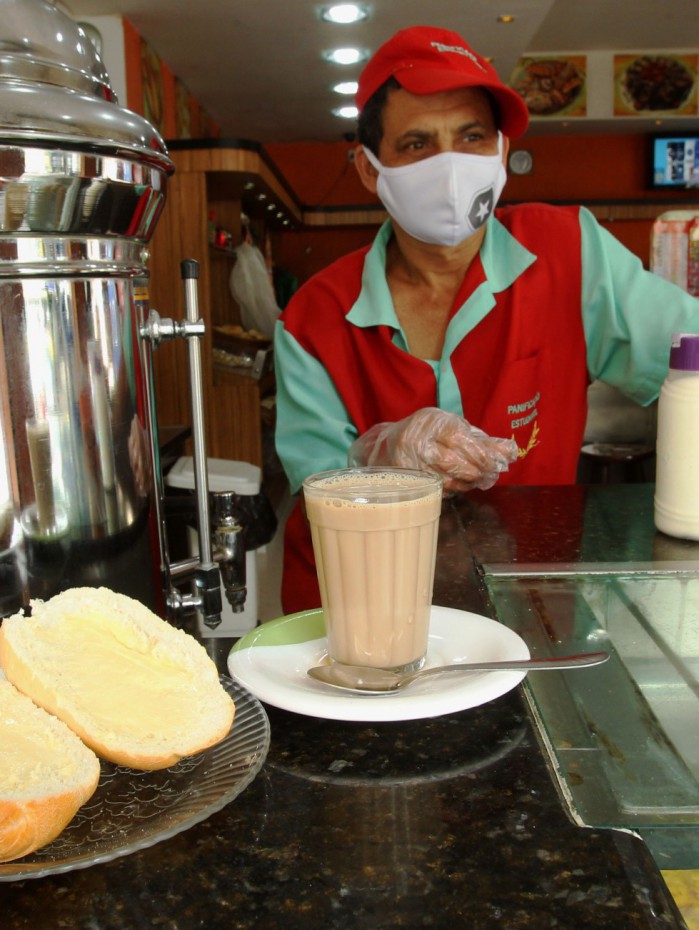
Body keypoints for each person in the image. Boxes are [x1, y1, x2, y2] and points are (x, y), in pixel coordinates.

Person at [274, 25, 699, 613]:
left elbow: (691, 352)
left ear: (501, 151)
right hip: (357, 608)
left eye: (471, 136)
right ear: (370, 170)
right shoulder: (313, 316)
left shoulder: (570, 253)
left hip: (526, 601)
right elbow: (313, 481)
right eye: (418, 143)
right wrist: (384, 457)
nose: (450, 165)